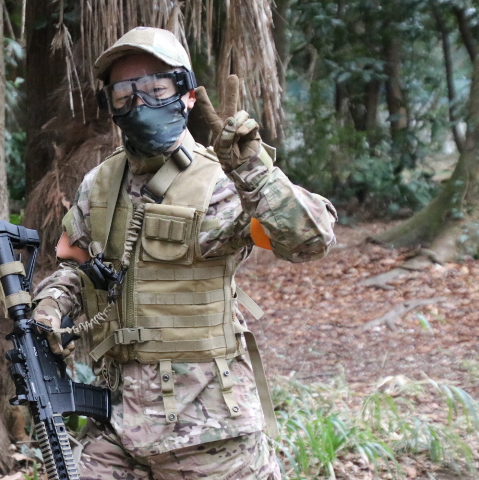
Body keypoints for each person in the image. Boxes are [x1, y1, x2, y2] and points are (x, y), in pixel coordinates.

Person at [31, 27, 337, 480]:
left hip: (211, 434)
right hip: (117, 425)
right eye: (124, 94)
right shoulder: (99, 184)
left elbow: (309, 240)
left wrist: (254, 169)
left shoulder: (224, 182)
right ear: (110, 106)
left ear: (188, 95)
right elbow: (76, 267)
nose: (140, 104)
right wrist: (50, 306)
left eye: (156, 89)